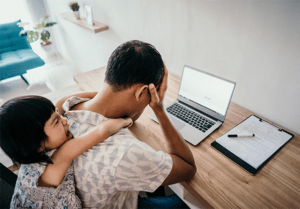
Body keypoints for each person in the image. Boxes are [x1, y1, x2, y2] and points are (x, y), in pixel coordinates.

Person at [55, 40, 197, 208]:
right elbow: (187, 167)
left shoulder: (65, 108)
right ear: (143, 92)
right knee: (187, 204)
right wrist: (158, 109)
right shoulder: (126, 152)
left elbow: (127, 118)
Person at [0, 95, 132, 208]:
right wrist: (125, 120)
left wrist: (100, 95)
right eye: (56, 122)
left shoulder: (34, 151)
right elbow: (101, 130)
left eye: (58, 113)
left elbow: (63, 100)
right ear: (39, 145)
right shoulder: (53, 164)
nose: (64, 120)